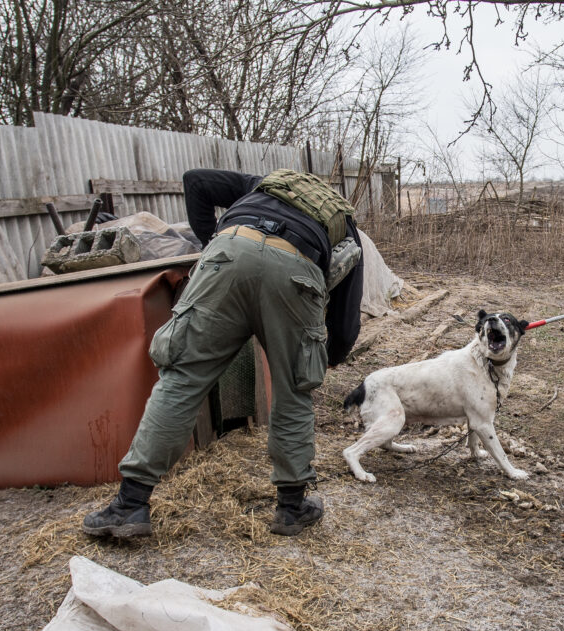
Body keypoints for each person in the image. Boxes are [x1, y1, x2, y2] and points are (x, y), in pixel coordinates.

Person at [82, 168, 364, 538]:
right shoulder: (344, 223)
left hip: (228, 253)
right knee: (293, 391)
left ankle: (130, 504)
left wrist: (212, 242)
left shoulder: (262, 184)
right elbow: (345, 321)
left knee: (182, 378)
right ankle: (292, 509)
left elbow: (195, 182)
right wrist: (330, 355)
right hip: (297, 268)